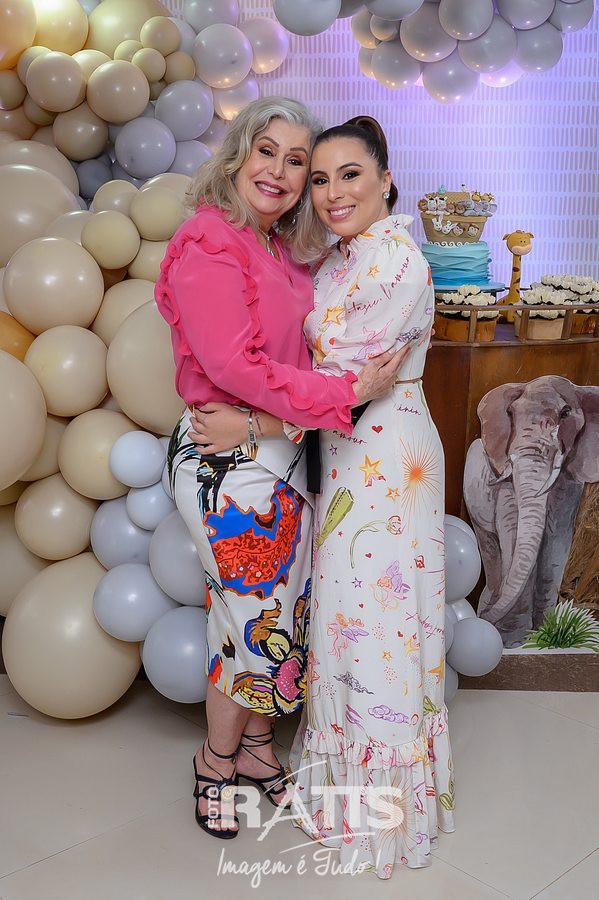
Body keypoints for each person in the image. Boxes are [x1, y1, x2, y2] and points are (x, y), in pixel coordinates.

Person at [189, 116, 455, 876]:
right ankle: (337, 790)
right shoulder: (338, 257)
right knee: (342, 627)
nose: (333, 191)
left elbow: (347, 387)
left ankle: (384, 816)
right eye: (321, 178)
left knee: (379, 631)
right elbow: (320, 381)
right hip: (339, 459)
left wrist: (250, 422)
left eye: (350, 174)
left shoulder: (395, 262)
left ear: (386, 180)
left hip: (384, 462)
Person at [154, 98, 410, 840]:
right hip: (228, 461)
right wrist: (344, 394)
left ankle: (258, 747)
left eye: (297, 161)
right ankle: (214, 760)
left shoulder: (273, 245)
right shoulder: (210, 239)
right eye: (267, 150)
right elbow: (235, 366)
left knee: (280, 614)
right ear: (237, 153)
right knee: (251, 621)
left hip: (282, 447)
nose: (280, 171)